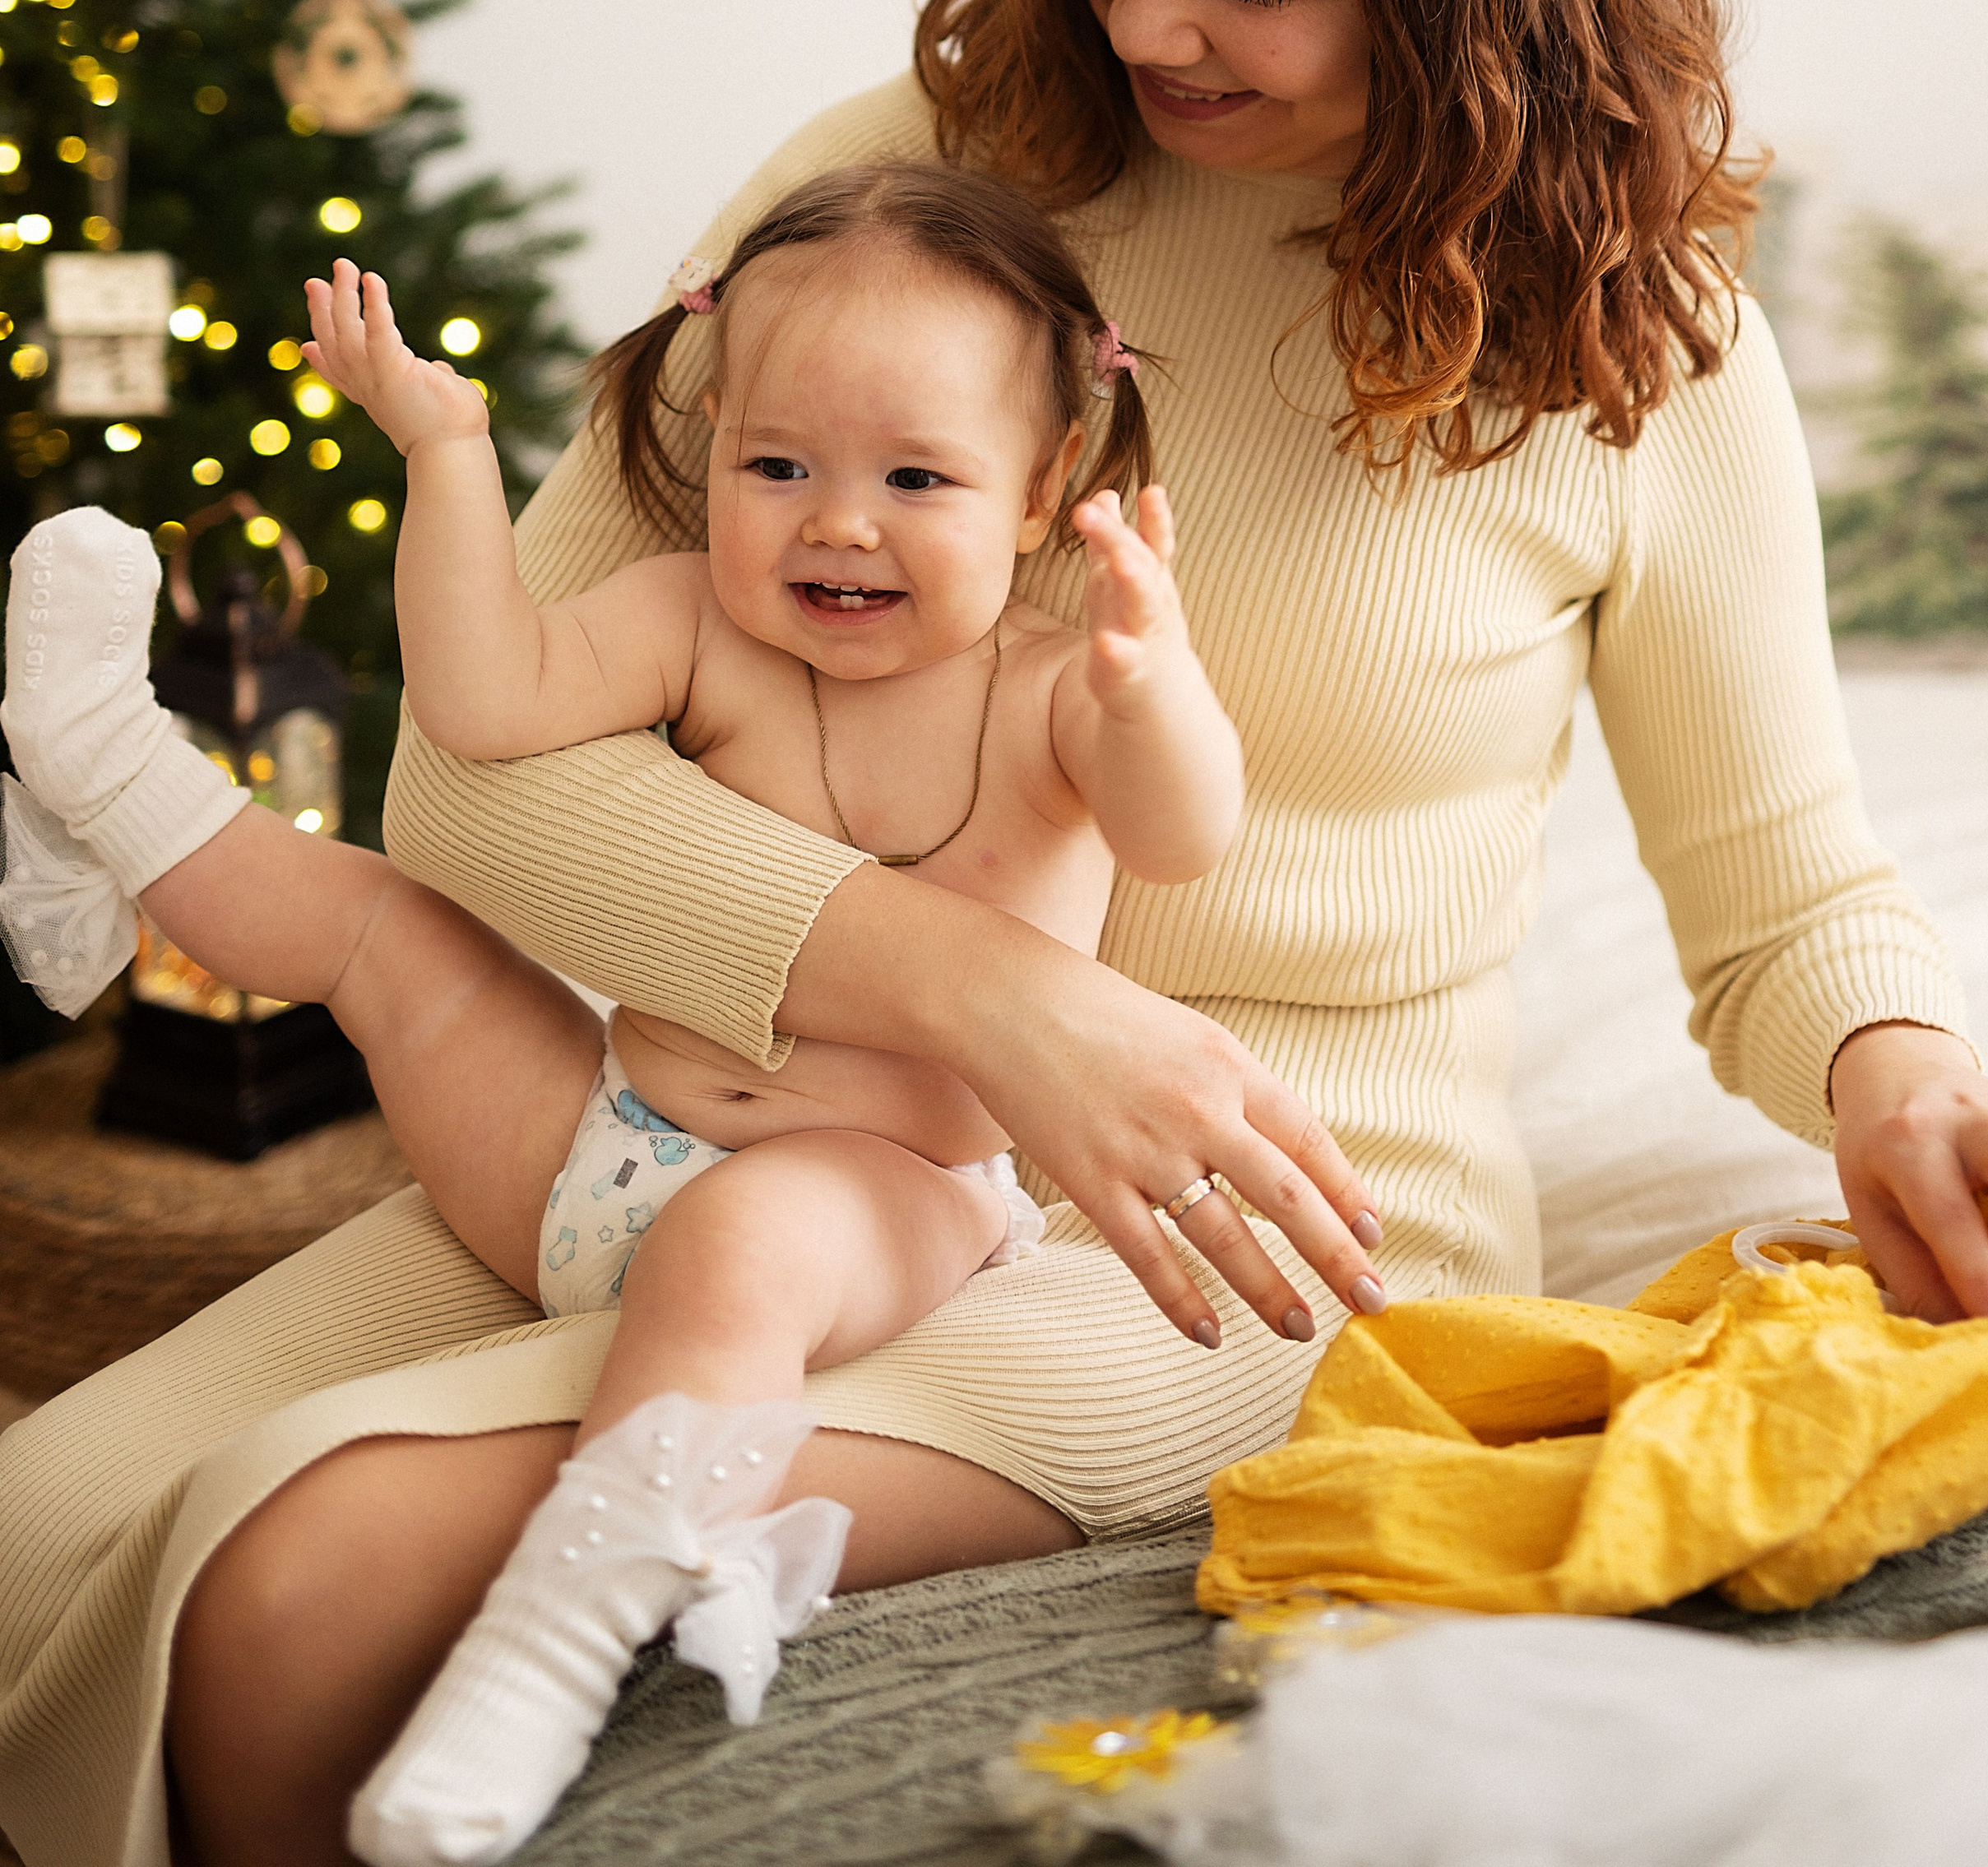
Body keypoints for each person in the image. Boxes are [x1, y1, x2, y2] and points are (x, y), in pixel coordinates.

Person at [4, 0, 1988, 1867]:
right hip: (757, 1138)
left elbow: (1779, 878)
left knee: (298, 1591)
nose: (1140, 13)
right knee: (31, 1527)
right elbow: (480, 783)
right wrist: (1002, 1001)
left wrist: (1903, 1073)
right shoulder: (896, 198)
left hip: (1258, 1238)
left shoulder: (1635, 339)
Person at [0, 159, 1264, 1867]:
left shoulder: (1048, 687)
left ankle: (560, 1634)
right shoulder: (691, 621)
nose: (838, 519)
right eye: (776, 465)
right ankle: (108, 781)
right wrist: (446, 454)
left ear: (1041, 491)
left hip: (874, 1206)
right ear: (713, 450)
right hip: (593, 1151)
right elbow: (482, 700)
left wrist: (1149, 669)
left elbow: (1183, 831)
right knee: (390, 930)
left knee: (744, 1233)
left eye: (915, 475)